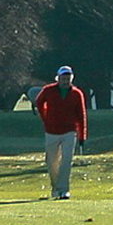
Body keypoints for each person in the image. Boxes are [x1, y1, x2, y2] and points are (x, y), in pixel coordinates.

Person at [34, 65, 87, 200]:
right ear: (58, 78)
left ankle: (64, 190)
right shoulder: (48, 90)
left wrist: (82, 136)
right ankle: (55, 188)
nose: (65, 81)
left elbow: (81, 115)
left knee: (66, 160)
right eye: (63, 78)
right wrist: (45, 117)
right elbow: (39, 103)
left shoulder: (76, 93)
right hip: (51, 131)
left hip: (69, 131)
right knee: (52, 162)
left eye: (68, 79)